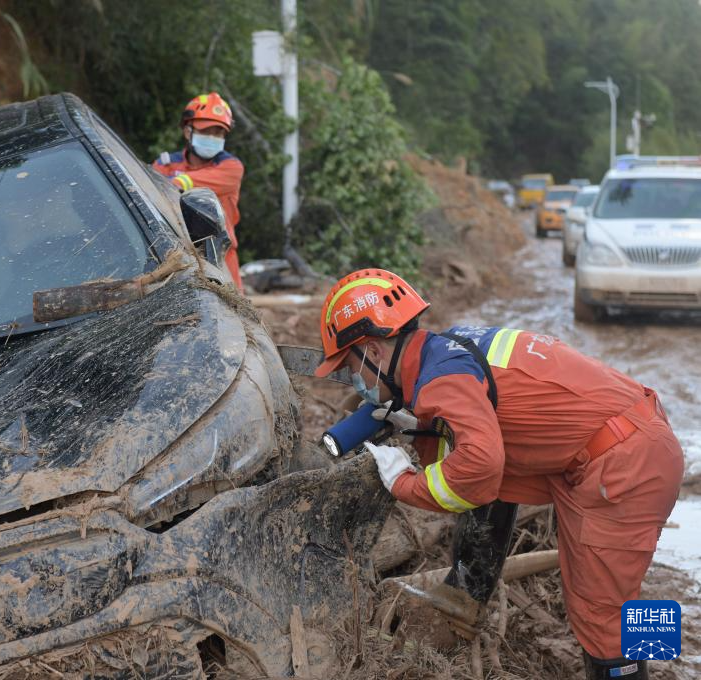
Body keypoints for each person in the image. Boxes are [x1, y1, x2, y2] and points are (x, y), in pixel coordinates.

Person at [314, 268, 683, 680]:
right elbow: (488, 446)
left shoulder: (442, 379)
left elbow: (479, 469)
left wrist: (403, 481)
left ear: (374, 352)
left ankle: (648, 668)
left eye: (348, 368)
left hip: (624, 464)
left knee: (602, 613)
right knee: (618, 594)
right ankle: (659, 662)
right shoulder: (448, 349)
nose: (352, 381)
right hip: (625, 441)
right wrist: (423, 426)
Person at [153, 92, 245, 291]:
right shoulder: (165, 164)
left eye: (218, 133)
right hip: (174, 258)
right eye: (206, 131)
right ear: (188, 132)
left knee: (233, 306)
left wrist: (176, 181)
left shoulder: (231, 167)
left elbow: (170, 184)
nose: (212, 137)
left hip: (222, 259)